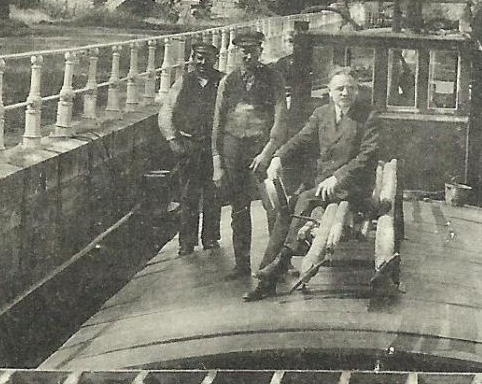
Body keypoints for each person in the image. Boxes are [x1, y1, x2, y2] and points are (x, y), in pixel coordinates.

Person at [246, 67, 380, 299]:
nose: (345, 93)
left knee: (303, 200)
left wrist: (338, 177)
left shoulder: (368, 116)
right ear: (330, 91)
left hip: (354, 187)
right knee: (287, 214)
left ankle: (281, 262)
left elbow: (367, 156)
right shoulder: (321, 114)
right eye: (340, 88)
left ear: (357, 91)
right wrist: (278, 157)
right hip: (324, 186)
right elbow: (300, 139)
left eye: (351, 88)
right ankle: (267, 275)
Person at [211, 29, 288, 280]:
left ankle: (274, 261)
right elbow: (218, 124)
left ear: (259, 51)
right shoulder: (228, 81)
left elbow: (280, 119)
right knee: (239, 208)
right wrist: (217, 163)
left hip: (261, 145)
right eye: (242, 51)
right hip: (233, 147)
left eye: (252, 50)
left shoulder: (273, 77)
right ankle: (241, 263)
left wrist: (267, 153)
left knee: (272, 204)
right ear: (236, 52)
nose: (247, 55)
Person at [158, 40, 222, 256]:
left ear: (215, 59)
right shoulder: (183, 82)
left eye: (207, 57)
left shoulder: (222, 82)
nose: (202, 62)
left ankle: (211, 238)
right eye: (198, 57)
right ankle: (186, 242)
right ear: (193, 58)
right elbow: (165, 112)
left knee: (213, 193)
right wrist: (172, 140)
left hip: (213, 147)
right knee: (188, 194)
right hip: (189, 145)